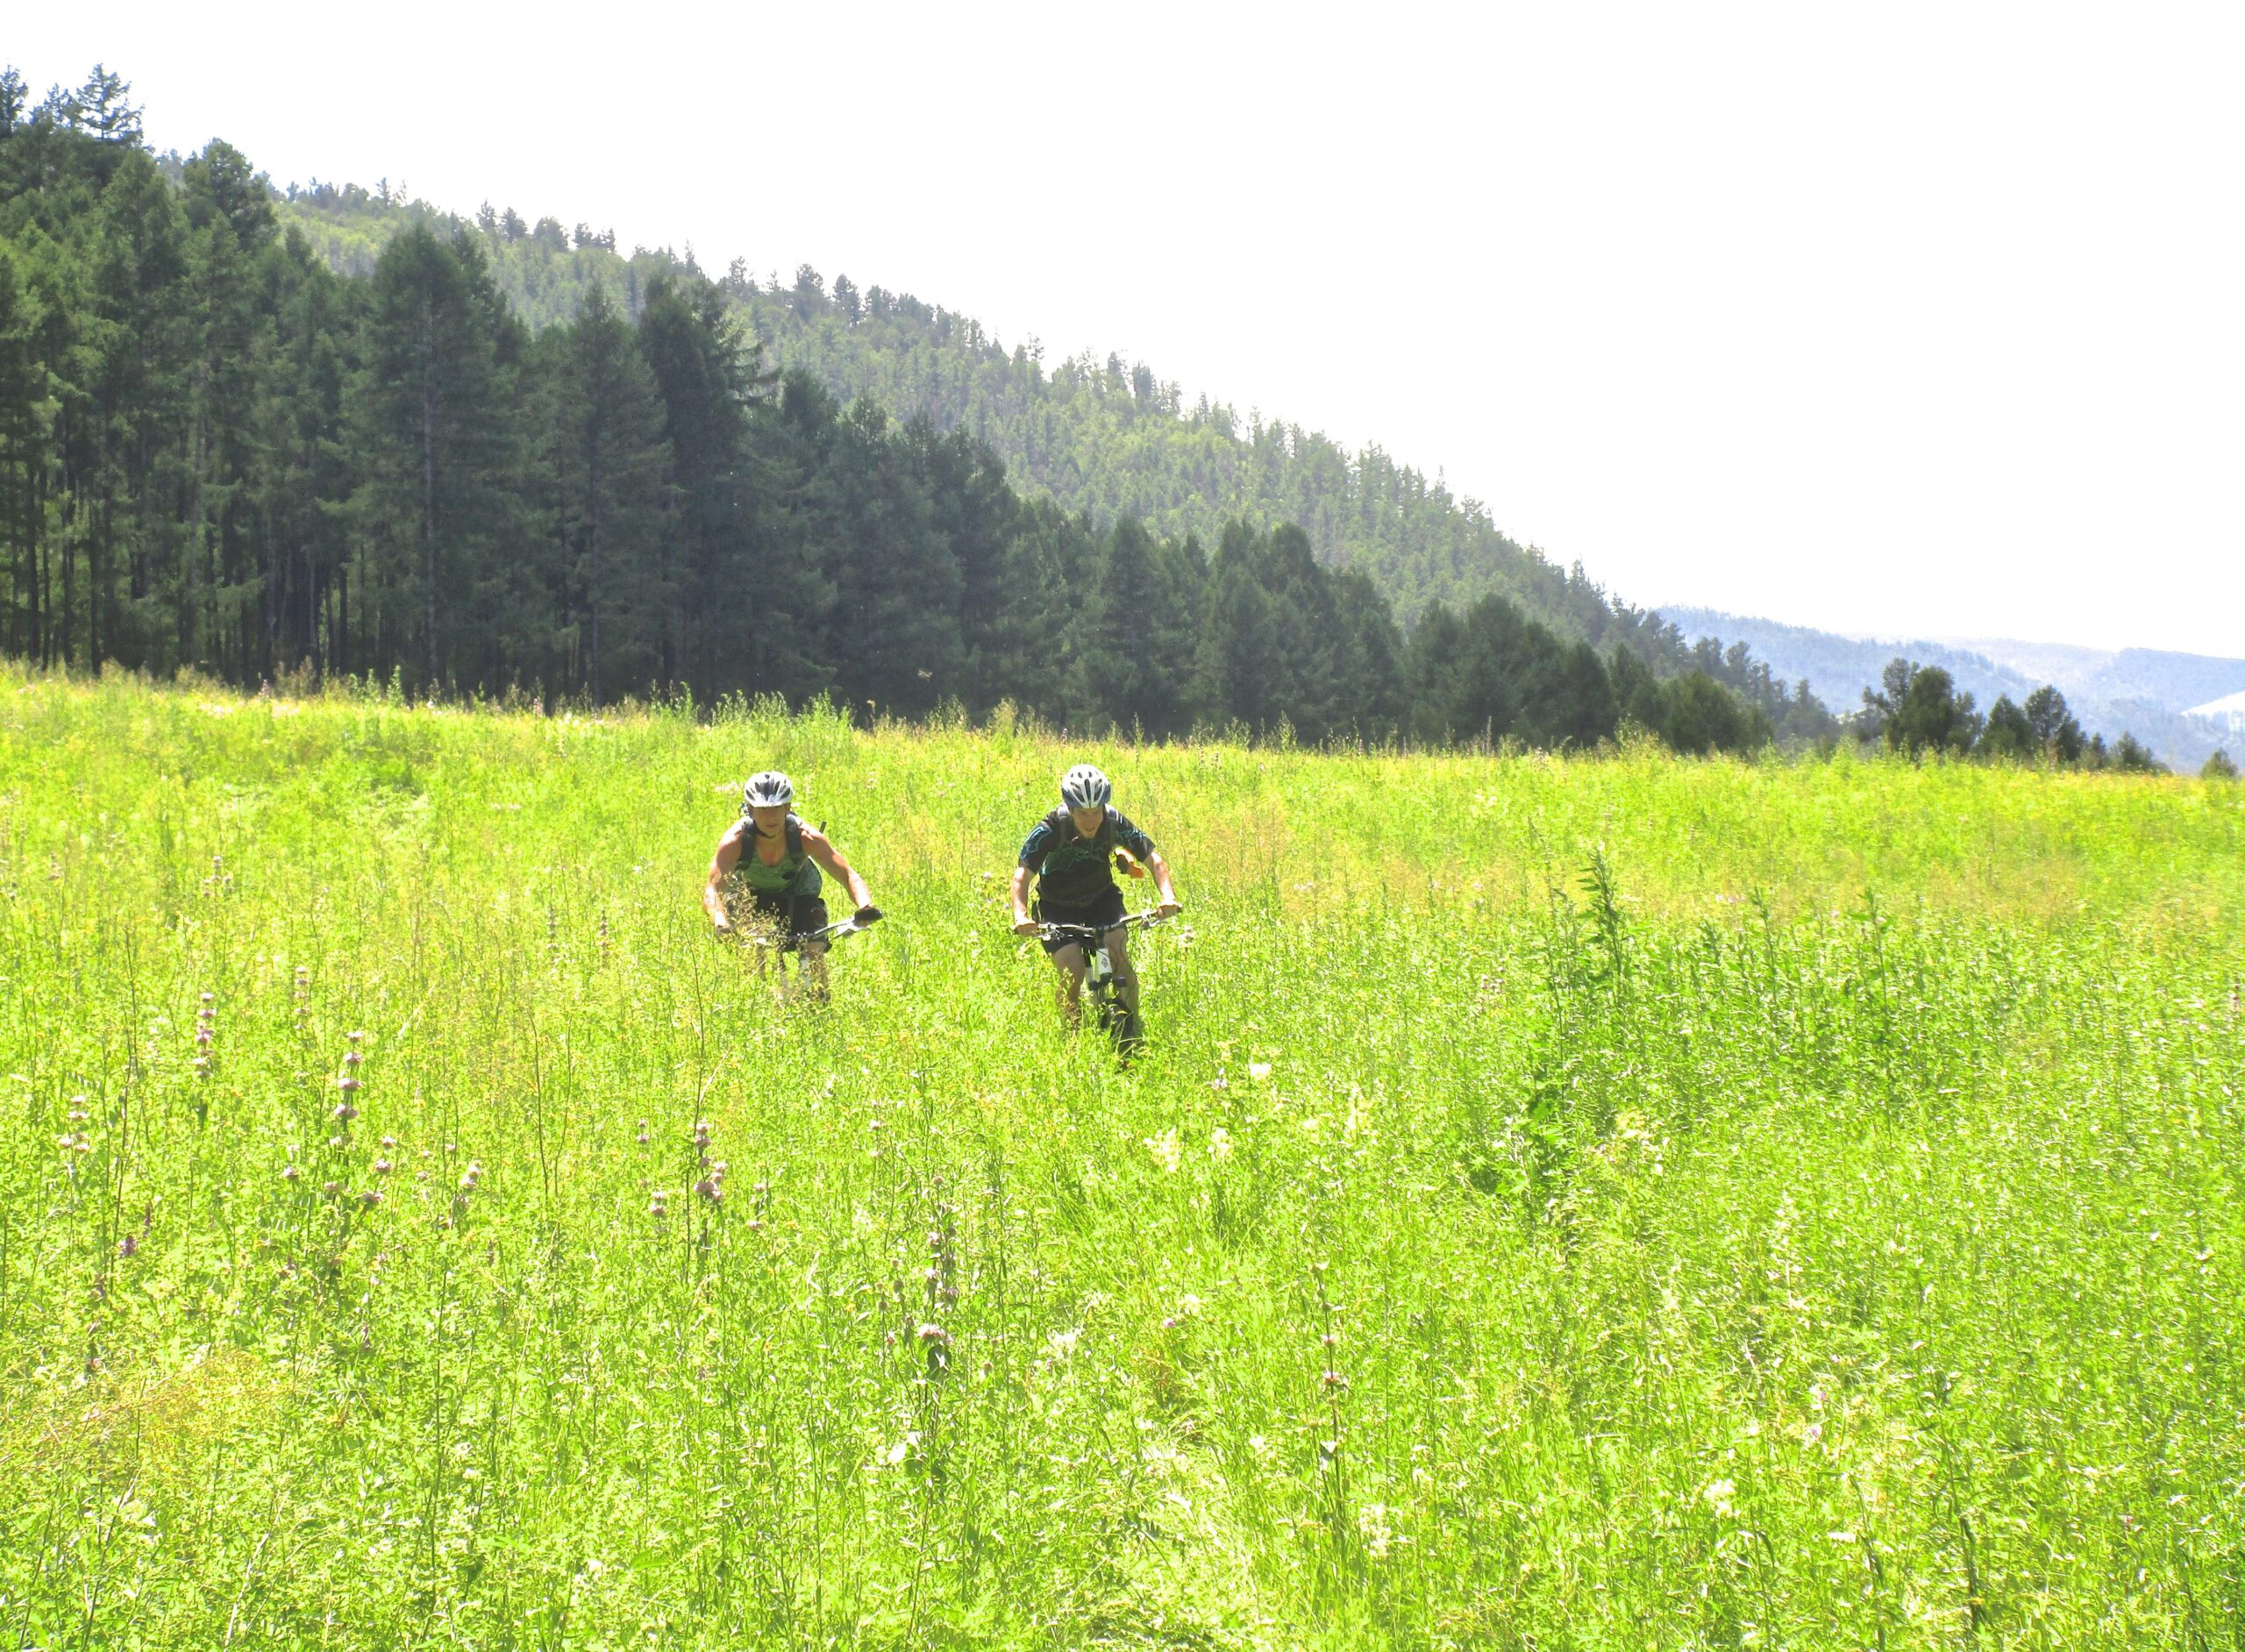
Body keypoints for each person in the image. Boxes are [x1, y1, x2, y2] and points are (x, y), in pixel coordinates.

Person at [1010, 763, 1182, 1037]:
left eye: (1096, 812)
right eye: (1082, 814)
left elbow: (1153, 860)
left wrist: (1168, 896)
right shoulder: (1051, 828)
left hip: (1102, 900)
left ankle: (1132, 1032)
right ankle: (1072, 1043)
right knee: (1073, 972)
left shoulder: (1113, 821)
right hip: (1057, 907)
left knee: (1119, 960)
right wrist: (1021, 916)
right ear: (1070, 809)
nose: (1091, 821)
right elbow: (1022, 877)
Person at [704, 771, 878, 1000]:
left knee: (813, 950)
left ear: (788, 808)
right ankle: (759, 1006)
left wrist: (865, 907)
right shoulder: (735, 841)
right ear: (750, 809)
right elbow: (714, 889)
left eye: (777, 807)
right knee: (753, 953)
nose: (771, 816)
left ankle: (820, 1007)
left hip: (799, 895)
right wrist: (719, 919)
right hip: (750, 895)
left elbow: (848, 875)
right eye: (763, 810)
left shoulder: (806, 837)